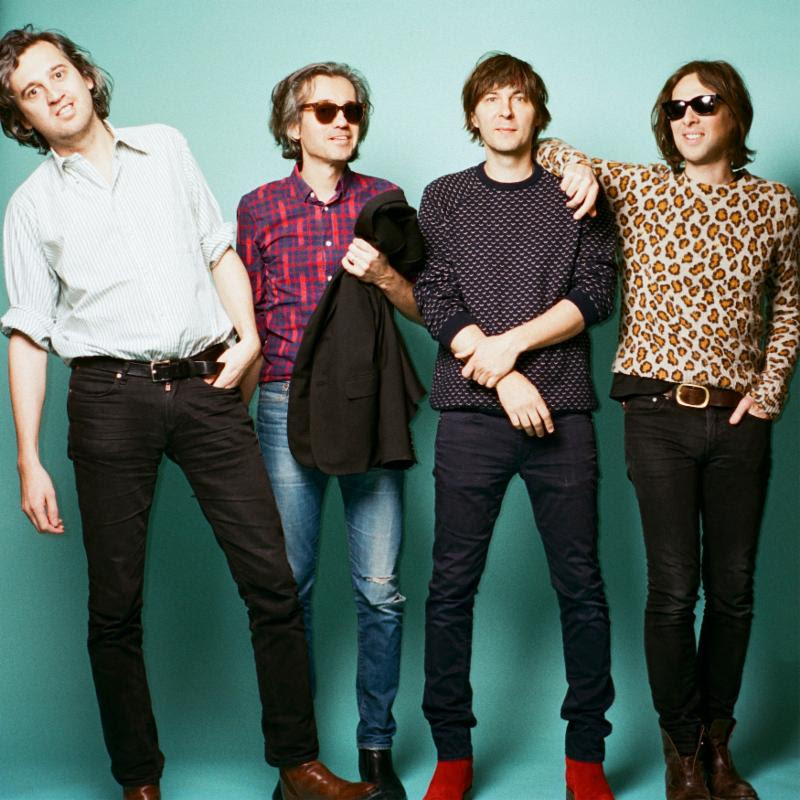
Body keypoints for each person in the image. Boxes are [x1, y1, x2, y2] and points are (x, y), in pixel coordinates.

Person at [0, 26, 378, 800]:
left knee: (272, 581)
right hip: (108, 400)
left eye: (58, 74)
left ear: (86, 75)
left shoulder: (166, 148)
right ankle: (139, 782)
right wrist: (28, 457)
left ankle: (298, 765)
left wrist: (249, 339)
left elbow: (217, 251)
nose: (54, 94)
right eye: (32, 92)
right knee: (115, 607)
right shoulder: (30, 206)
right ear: (22, 117)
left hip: (206, 388)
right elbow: (29, 334)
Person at [537, 60, 800, 800]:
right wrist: (578, 171)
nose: (688, 116)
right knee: (675, 588)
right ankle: (682, 752)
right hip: (657, 417)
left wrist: (769, 392)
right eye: (675, 107)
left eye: (703, 103)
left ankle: (719, 746)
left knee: (735, 590)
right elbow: (551, 147)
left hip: (740, 419)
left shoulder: (776, 205)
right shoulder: (642, 188)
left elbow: (790, 306)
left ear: (734, 114)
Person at [412, 52, 617, 800]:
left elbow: (596, 294)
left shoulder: (577, 195)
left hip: (564, 413)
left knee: (581, 585)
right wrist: (503, 375)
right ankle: (452, 754)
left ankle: (585, 757)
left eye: (520, 98)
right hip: (472, 415)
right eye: (491, 99)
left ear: (538, 112)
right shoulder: (443, 197)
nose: (505, 110)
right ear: (473, 114)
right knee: (451, 586)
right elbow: (433, 296)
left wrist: (510, 347)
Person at [237, 62, 421, 800]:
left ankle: (377, 750)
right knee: (292, 592)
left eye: (351, 110)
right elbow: (245, 322)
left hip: (368, 406)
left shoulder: (385, 200)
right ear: (293, 125)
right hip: (284, 403)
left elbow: (426, 308)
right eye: (324, 110)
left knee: (380, 590)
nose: (342, 121)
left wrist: (382, 275)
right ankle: (300, 764)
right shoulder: (259, 207)